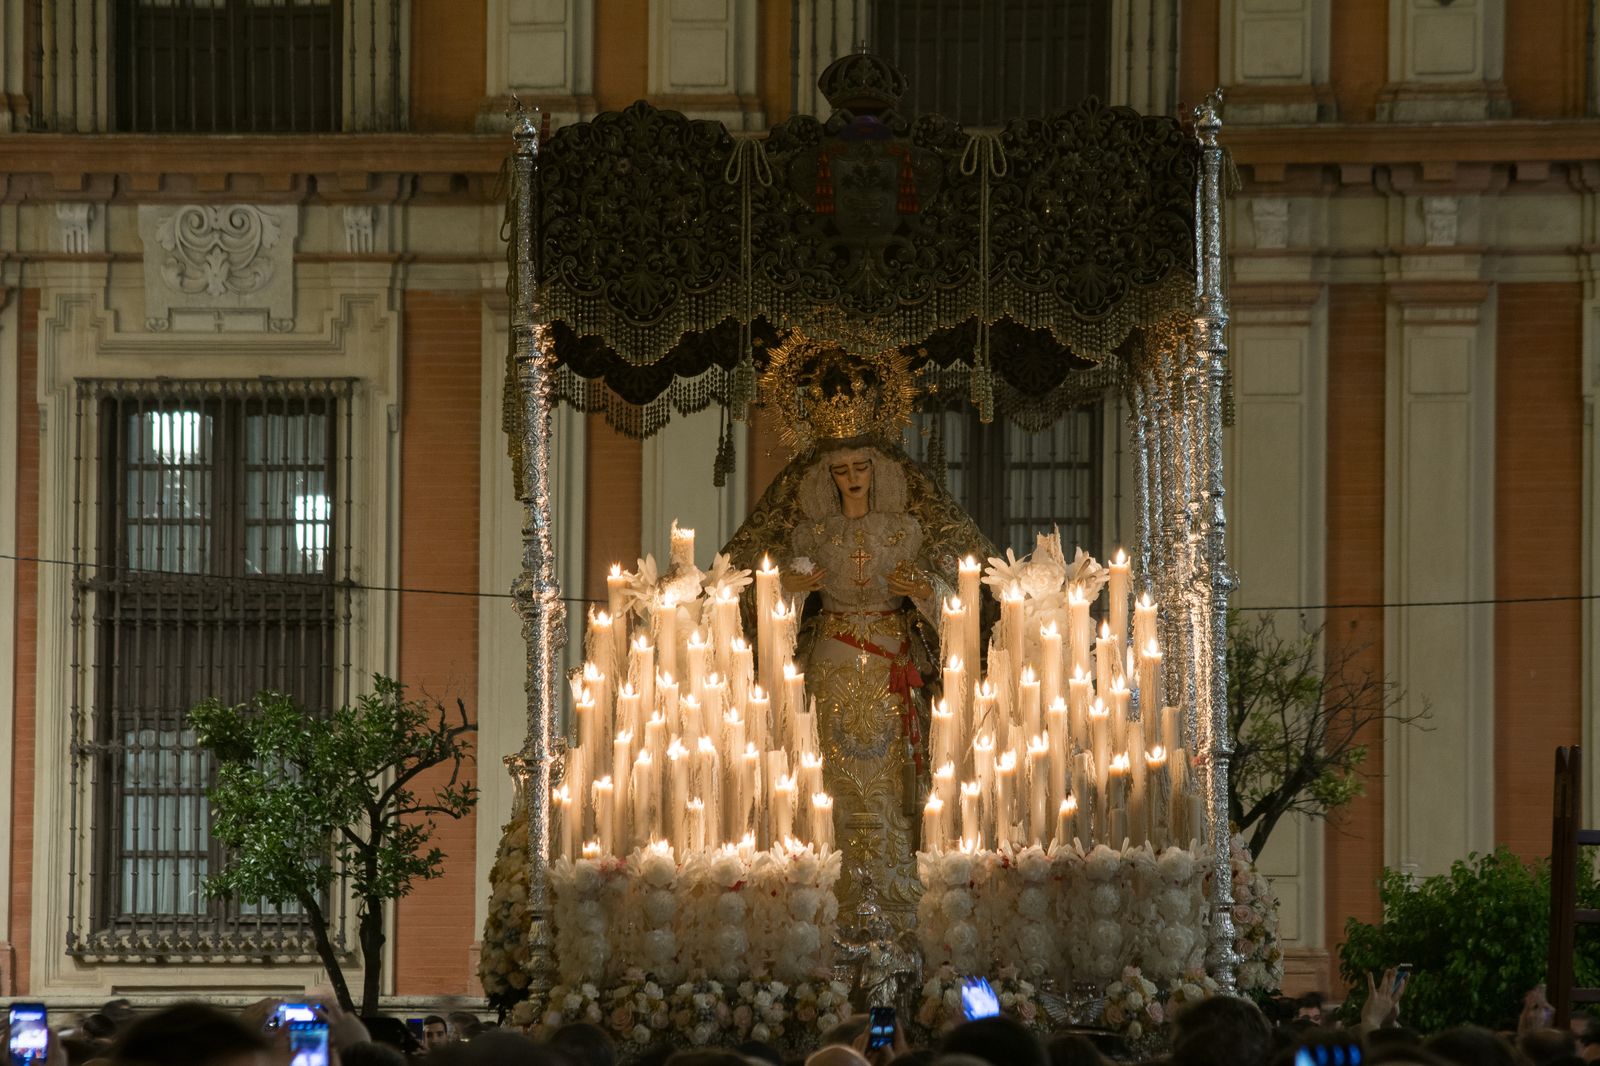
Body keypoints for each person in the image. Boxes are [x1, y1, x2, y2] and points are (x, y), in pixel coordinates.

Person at [723, 337, 989, 928]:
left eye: (860, 468)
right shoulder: (812, 537)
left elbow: (962, 603)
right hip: (830, 663)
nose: (851, 480)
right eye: (840, 471)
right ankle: (830, 891)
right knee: (829, 777)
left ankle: (899, 891)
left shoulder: (908, 531)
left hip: (895, 666)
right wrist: (786, 595)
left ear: (879, 470)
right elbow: (757, 603)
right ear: (826, 478)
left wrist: (922, 591)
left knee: (896, 781)